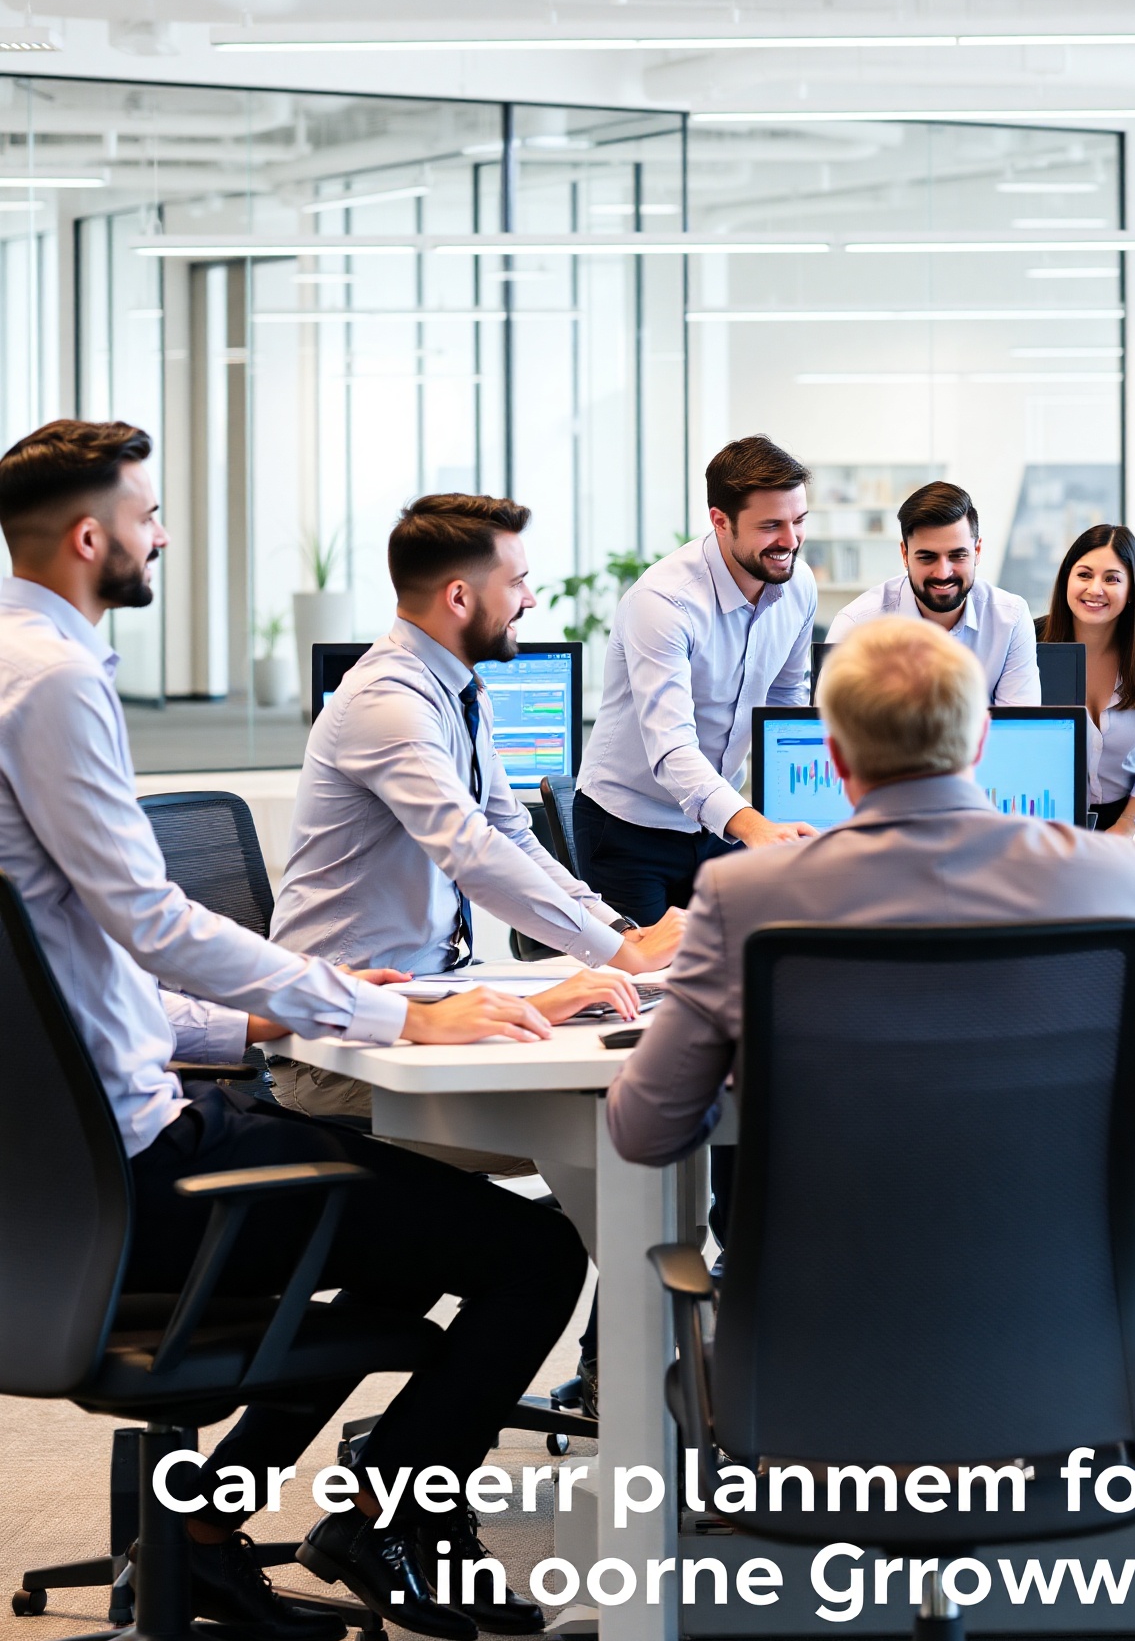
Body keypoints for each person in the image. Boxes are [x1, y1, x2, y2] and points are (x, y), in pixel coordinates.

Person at [0, 419, 585, 1641]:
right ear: (93, 534)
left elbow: (74, 967)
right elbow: (150, 918)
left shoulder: (12, 664)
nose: (163, 533)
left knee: (403, 1225)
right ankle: (382, 1514)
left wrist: (263, 1008)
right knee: (532, 1257)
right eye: (150, 514)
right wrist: (385, 1011)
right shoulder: (55, 681)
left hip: (75, 1167)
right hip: (138, 1169)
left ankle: (211, 1523)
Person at [608, 615, 1135, 1167]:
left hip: (818, 1251)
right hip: (1058, 1249)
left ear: (836, 756)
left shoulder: (743, 894)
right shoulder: (1114, 877)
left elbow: (646, 1131)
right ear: (982, 738)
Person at [270, 493, 675, 1129]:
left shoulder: (458, 688)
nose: (531, 601)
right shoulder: (389, 704)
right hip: (340, 1052)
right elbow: (472, 854)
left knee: (631, 1106)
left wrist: (620, 934)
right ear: (459, 598)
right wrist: (617, 955)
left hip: (426, 997)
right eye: (517, 583)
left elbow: (510, 833)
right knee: (615, 1132)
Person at [576, 435, 819, 924]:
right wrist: (752, 825)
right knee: (645, 985)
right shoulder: (664, 602)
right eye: (771, 525)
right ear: (720, 521)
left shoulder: (798, 585)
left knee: (734, 968)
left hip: (719, 826)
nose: (790, 541)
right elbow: (671, 749)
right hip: (629, 827)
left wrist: (788, 815)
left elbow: (785, 703)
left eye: (798, 522)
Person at [825, 480, 1040, 704]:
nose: (943, 573)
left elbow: (1019, 726)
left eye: (958, 556)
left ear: (977, 551)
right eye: (927, 557)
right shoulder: (856, 626)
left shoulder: (1010, 618)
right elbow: (828, 729)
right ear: (904, 554)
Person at [1037, 523, 1135, 838]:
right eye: (1084, 575)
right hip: (1044, 823)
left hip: (1128, 824)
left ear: (1132, 589)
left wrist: (1127, 824)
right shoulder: (1028, 642)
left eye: (1112, 579)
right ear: (1066, 579)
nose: (1095, 589)